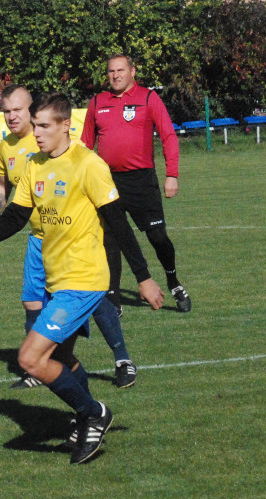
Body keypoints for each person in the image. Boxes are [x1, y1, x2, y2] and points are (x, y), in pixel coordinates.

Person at [0, 93, 164, 464]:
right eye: (36, 125)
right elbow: (15, 218)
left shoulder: (88, 165)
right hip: (56, 279)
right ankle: (85, 417)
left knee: (30, 358)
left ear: (67, 126)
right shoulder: (35, 164)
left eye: (45, 126)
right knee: (61, 356)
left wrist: (143, 277)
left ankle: (94, 413)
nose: (37, 133)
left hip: (84, 280)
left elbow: (119, 224)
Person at [0, 85, 140, 390]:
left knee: (92, 298)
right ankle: (42, 367)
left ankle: (121, 358)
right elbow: (3, 189)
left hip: (73, 242)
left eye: (18, 110)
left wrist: (142, 275)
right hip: (38, 241)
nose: (11, 116)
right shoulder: (7, 147)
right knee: (31, 303)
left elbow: (111, 212)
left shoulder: (60, 146)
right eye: (6, 111)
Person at [81, 53, 191, 314]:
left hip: (142, 181)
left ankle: (173, 281)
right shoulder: (97, 102)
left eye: (120, 70)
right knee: (111, 240)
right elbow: (85, 145)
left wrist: (172, 174)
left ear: (133, 72)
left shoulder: (148, 98)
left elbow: (168, 135)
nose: (115, 75)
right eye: (111, 71)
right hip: (108, 182)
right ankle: (113, 300)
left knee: (158, 237)